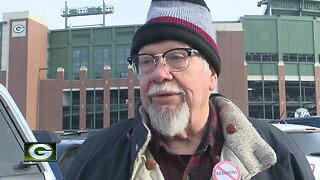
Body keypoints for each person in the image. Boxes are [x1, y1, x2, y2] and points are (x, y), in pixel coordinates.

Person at [67, 0, 315, 179]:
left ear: (212, 75)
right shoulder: (96, 157)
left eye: (177, 57)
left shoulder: (277, 154)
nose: (159, 73)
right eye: (146, 61)